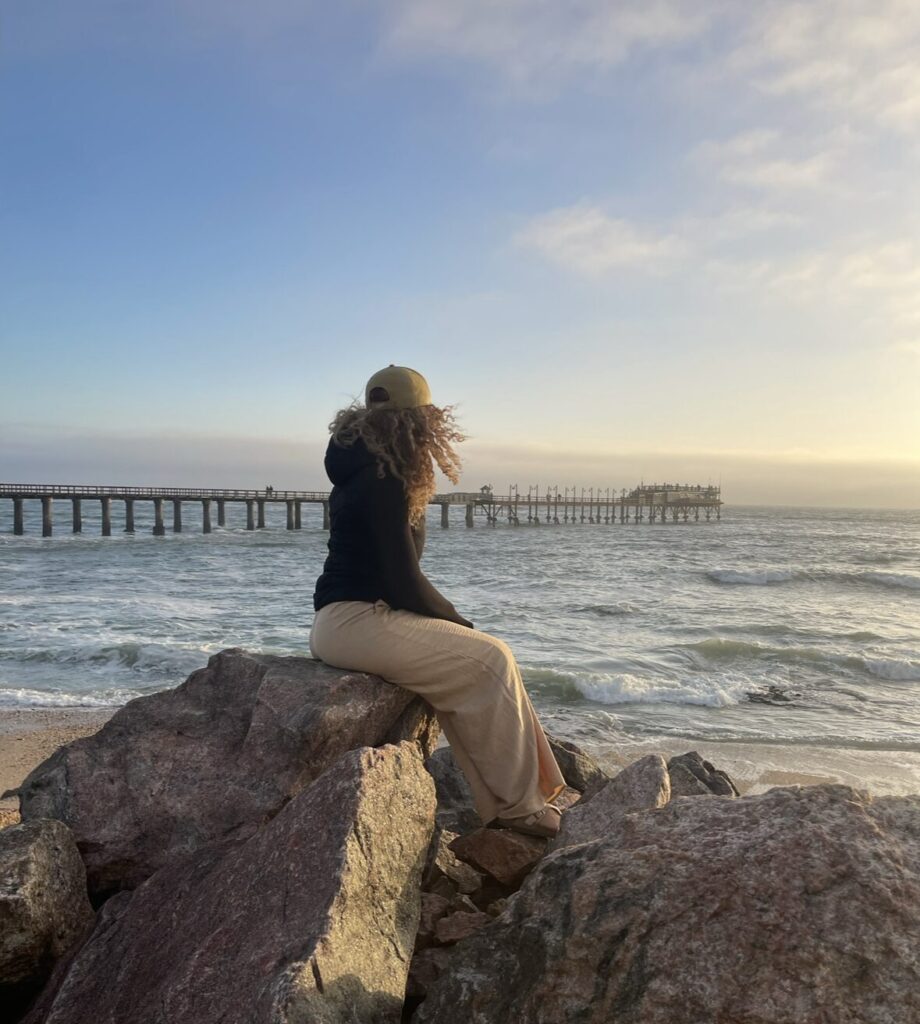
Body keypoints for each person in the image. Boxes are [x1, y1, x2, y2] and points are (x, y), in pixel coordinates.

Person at [310, 365, 566, 837]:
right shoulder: (382, 478)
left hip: (347, 619)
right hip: (358, 620)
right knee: (489, 657)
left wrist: (452, 624)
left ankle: (525, 796)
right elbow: (402, 578)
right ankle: (520, 807)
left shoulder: (364, 465)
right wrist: (458, 620)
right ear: (421, 420)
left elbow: (395, 577)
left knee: (480, 661)